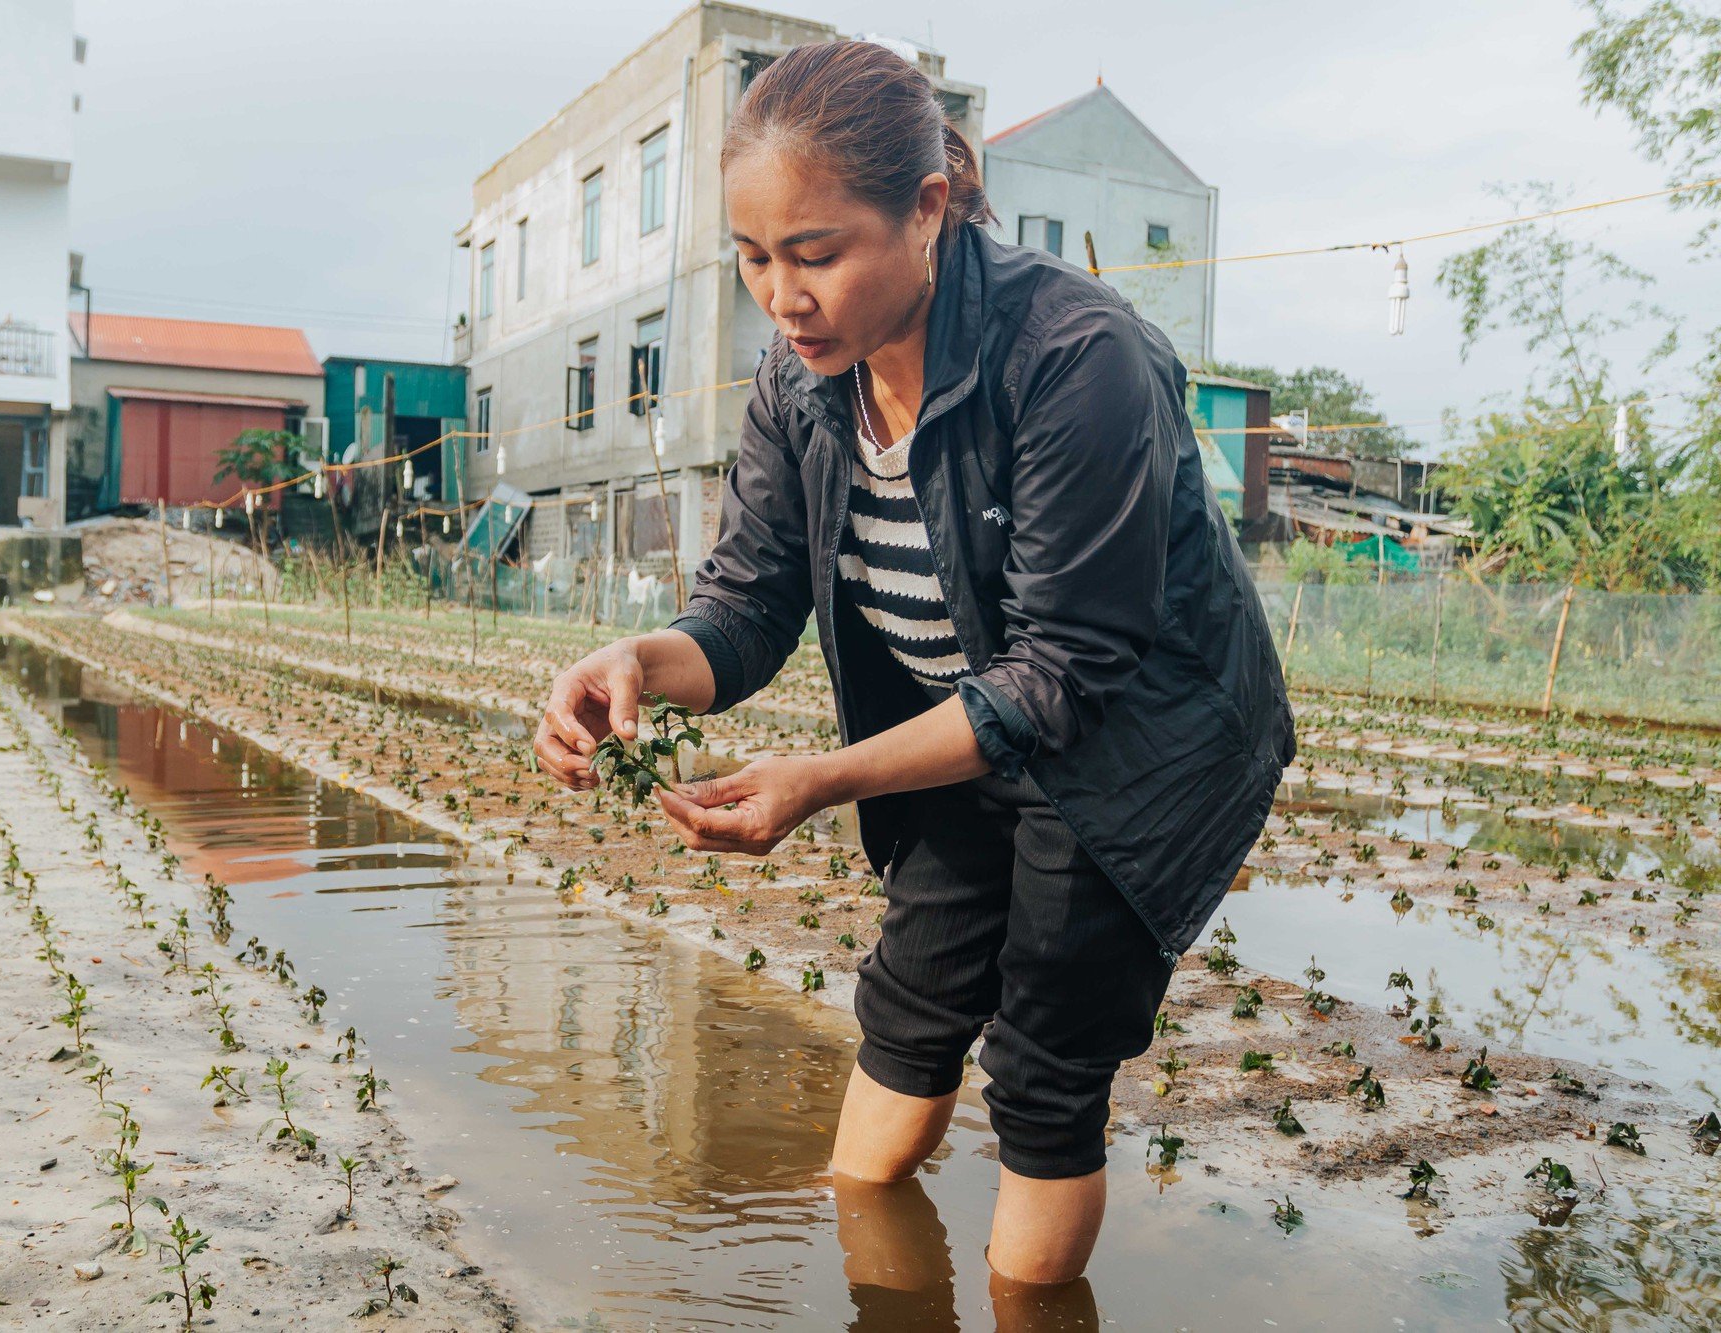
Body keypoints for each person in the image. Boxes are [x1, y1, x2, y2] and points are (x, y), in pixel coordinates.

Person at [532, 39, 1294, 1291]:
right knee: (911, 996)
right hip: (950, 719)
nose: (780, 296)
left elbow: (1062, 674)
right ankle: (878, 1292)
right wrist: (634, 661)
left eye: (816, 253)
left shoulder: (1072, 358)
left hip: (1129, 740)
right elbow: (749, 601)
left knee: (1046, 1052)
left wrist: (825, 778)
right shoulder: (797, 377)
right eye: (753, 257)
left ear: (928, 207)